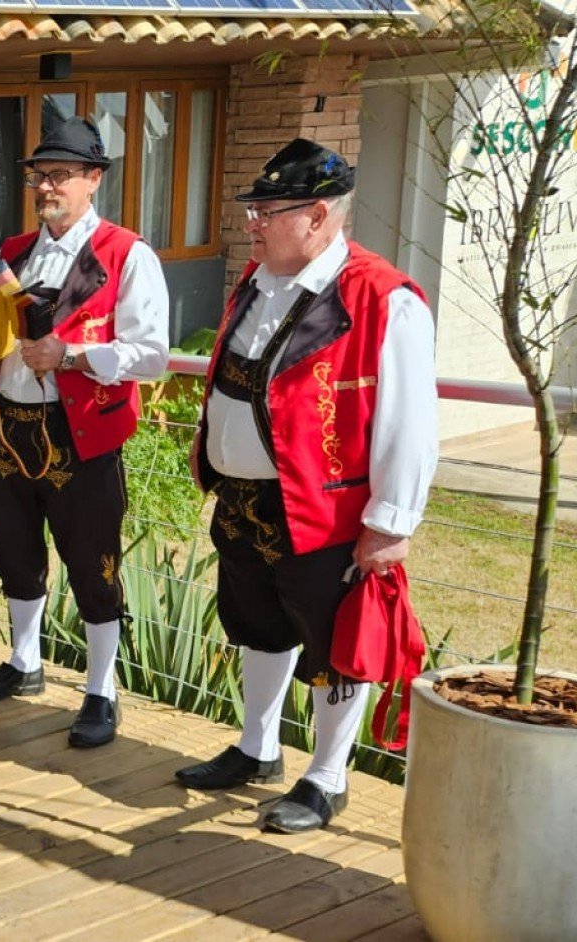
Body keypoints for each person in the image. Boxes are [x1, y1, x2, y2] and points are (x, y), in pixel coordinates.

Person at [176, 138, 436, 833]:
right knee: (258, 624)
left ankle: (326, 775)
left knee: (332, 642)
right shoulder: (257, 282)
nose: (251, 222)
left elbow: (409, 420)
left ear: (319, 215)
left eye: (267, 210)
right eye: (252, 209)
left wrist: (391, 521)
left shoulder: (383, 300)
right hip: (247, 500)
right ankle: (257, 749)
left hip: (325, 509)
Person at [0, 117, 171, 749]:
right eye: (38, 175)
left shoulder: (128, 252)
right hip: (9, 427)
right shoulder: (13, 251)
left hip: (82, 435)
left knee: (92, 562)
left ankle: (100, 690)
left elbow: (154, 353)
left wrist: (73, 354)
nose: (45, 186)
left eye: (59, 175)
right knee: (13, 548)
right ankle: (25, 662)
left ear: (93, 179)